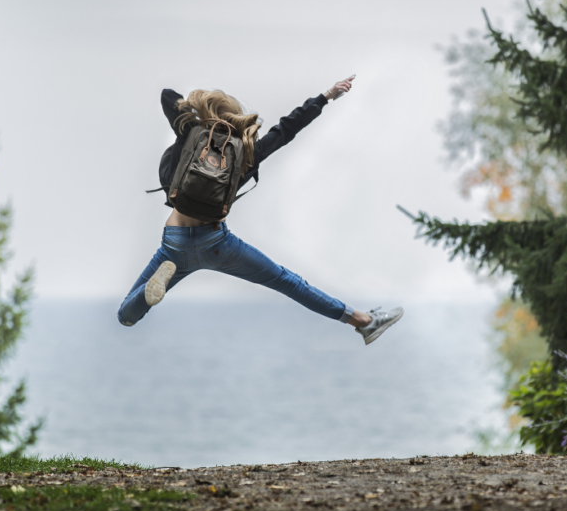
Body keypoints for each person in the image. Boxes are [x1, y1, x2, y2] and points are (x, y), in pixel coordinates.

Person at [117, 76, 403, 345]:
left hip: (175, 242)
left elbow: (168, 96)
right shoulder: (245, 152)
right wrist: (325, 96)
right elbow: (286, 130)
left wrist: (198, 113)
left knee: (125, 316)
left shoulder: (190, 133)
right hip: (216, 243)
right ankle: (363, 322)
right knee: (288, 282)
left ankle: (147, 295)